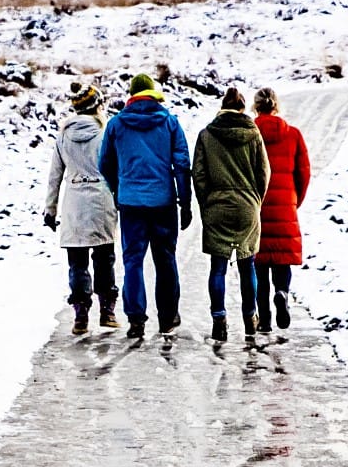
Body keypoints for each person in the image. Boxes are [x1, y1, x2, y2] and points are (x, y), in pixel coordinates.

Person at [96, 72, 191, 335]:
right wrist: (185, 202)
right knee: (165, 259)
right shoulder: (170, 122)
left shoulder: (116, 124)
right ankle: (168, 316)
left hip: (131, 204)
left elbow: (105, 162)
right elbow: (182, 164)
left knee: (133, 260)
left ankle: (136, 318)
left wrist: (118, 188)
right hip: (163, 202)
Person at [193, 86, 269, 343]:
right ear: (242, 109)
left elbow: (199, 174)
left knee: (218, 267)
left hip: (217, 205)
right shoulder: (254, 134)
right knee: (248, 265)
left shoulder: (206, 134)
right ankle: (250, 318)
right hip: (248, 206)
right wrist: (256, 200)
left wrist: (207, 203)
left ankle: (219, 319)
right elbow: (264, 174)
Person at [40, 82, 118, 334]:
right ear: (97, 106)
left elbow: (55, 176)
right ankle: (107, 312)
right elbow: (115, 168)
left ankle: (81, 315)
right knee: (104, 259)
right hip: (101, 200)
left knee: (77, 262)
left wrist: (50, 209)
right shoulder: (105, 133)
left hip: (74, 203)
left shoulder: (63, 136)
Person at [248, 85, 312, 334]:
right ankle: (283, 292)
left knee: (259, 264)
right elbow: (304, 173)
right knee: (282, 259)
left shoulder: (250, 134)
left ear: (256, 107)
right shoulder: (293, 134)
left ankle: (264, 320)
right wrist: (295, 200)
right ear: (276, 105)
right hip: (285, 205)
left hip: (256, 205)